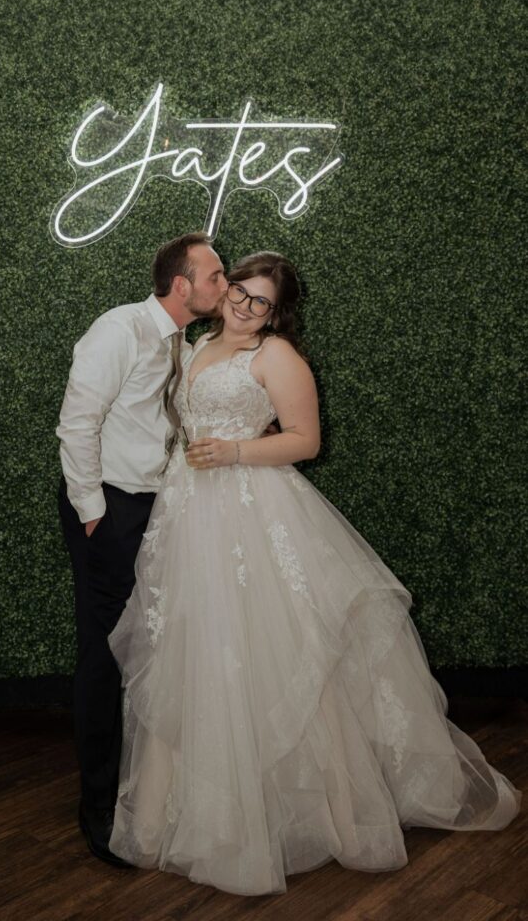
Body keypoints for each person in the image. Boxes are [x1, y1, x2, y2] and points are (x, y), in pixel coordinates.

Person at [107, 250, 522, 896]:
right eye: (239, 291)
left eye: (260, 302)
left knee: (287, 650)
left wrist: (238, 450)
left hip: (252, 513)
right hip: (190, 516)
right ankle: (176, 817)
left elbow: (306, 440)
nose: (245, 307)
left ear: (278, 312)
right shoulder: (195, 344)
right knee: (196, 652)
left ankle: (336, 814)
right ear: (226, 289)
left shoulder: (276, 358)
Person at [56, 231, 228, 867]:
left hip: (161, 508)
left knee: (154, 644)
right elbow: (77, 424)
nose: (223, 283)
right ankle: (97, 805)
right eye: (214, 275)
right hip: (112, 510)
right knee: (105, 655)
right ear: (182, 285)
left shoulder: (183, 342)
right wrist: (95, 515)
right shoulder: (119, 329)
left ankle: (147, 792)